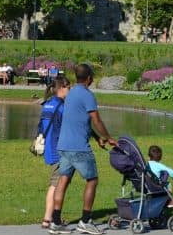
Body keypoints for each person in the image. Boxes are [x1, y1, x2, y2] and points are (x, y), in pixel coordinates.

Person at [50, 64, 116, 235]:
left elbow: (81, 121)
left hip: (63, 146)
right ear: (89, 78)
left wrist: (97, 138)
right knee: (92, 180)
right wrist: (108, 138)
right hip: (79, 148)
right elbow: (96, 120)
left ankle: (55, 222)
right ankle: (85, 221)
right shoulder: (87, 95)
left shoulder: (70, 94)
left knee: (63, 181)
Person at [40, 75, 71, 230]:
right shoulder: (62, 107)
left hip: (49, 149)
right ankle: (48, 218)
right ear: (62, 88)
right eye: (68, 87)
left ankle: (50, 216)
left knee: (55, 183)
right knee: (56, 185)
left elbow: (41, 127)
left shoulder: (47, 104)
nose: (70, 90)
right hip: (59, 149)